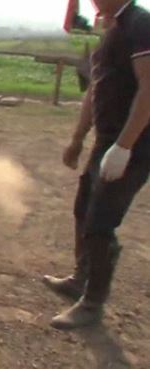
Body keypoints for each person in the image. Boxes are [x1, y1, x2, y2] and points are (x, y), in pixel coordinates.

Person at [43, 0, 150, 329]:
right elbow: (94, 90)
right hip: (106, 141)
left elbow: (149, 86)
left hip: (134, 144)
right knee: (83, 210)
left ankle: (92, 303)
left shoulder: (139, 23)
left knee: (101, 221)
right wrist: (78, 138)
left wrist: (123, 146)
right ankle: (81, 276)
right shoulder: (111, 29)